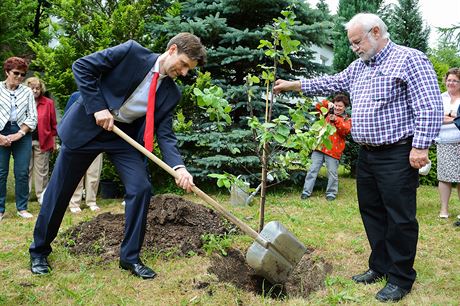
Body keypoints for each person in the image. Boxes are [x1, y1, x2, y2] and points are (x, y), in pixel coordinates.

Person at [273, 13, 443, 302]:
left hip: (397, 153)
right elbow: (330, 81)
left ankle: (401, 278)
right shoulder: (358, 68)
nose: (354, 48)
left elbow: (429, 105)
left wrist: (421, 146)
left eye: (356, 42)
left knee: (400, 217)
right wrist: (293, 85)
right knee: (372, 212)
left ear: (375, 32)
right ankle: (380, 266)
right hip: (368, 155)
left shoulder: (409, 59)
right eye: (352, 44)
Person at [29, 33, 206, 279]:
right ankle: (39, 251)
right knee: (61, 190)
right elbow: (82, 67)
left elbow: (165, 134)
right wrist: (98, 107)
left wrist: (179, 167)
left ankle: (130, 258)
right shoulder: (132, 53)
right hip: (89, 127)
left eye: (189, 69)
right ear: (173, 50)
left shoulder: (171, 93)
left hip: (122, 138)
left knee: (141, 188)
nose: (185, 72)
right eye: (184, 64)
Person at [0, 57, 38, 221]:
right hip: (1, 131)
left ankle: (22, 208)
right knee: (1, 173)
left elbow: (33, 117)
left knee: (22, 172)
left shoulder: (27, 92)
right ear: (7, 72)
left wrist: (19, 134)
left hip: (22, 132)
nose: (19, 77)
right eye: (16, 73)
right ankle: (0, 210)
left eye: (22, 75)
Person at [301, 94, 351, 201]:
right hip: (319, 147)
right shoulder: (327, 113)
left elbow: (345, 130)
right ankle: (306, 192)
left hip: (333, 151)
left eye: (340, 106)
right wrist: (327, 103)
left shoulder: (346, 119)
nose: (337, 108)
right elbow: (318, 105)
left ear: (345, 107)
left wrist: (335, 120)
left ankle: (331, 194)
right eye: (336, 105)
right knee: (312, 170)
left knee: (332, 173)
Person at [65, 92, 103, 213]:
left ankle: (91, 201)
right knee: (77, 173)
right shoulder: (75, 96)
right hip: (78, 140)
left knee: (94, 172)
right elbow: (68, 116)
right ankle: (74, 202)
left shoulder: (102, 97)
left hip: (97, 140)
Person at [25, 77, 58, 205]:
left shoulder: (48, 103)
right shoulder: (22, 102)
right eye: (32, 88)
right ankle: (24, 196)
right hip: (24, 141)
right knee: (25, 170)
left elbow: (53, 123)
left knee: (42, 171)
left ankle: (42, 196)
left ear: (41, 89)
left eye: (37, 88)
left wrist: (54, 141)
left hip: (42, 141)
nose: (35, 90)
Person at [435, 68, 460, 219]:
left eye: (455, 81)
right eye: (449, 80)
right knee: (444, 177)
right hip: (444, 141)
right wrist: (455, 117)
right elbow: (436, 118)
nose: (451, 83)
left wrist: (448, 116)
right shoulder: (440, 98)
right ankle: (444, 210)